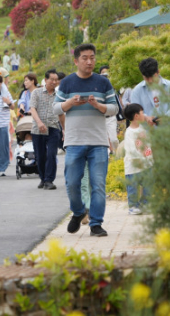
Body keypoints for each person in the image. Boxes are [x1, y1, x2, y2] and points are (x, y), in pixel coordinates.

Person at [53, 43, 118, 238]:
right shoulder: (67, 83)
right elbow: (55, 109)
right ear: (76, 60)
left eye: (92, 58)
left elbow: (115, 108)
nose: (89, 61)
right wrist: (70, 103)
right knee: (72, 182)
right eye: (85, 58)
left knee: (98, 184)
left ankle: (96, 223)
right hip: (74, 142)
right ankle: (78, 210)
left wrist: (98, 105)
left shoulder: (103, 83)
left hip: (98, 142)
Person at [30, 69, 63, 190]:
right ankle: (43, 178)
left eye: (56, 80)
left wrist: (64, 129)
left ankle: (49, 180)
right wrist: (39, 122)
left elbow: (61, 113)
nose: (54, 82)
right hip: (38, 129)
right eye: (52, 79)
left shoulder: (59, 95)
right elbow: (32, 109)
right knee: (40, 156)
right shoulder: (36, 92)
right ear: (45, 80)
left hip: (53, 128)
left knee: (51, 154)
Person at [122, 103, 153, 215]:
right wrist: (139, 158)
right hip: (133, 166)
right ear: (136, 116)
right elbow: (131, 149)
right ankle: (133, 206)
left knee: (148, 185)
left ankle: (145, 204)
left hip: (146, 164)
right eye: (142, 112)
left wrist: (149, 157)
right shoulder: (129, 132)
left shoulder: (142, 129)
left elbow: (147, 142)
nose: (144, 115)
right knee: (133, 187)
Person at [130, 57, 170, 126]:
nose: (150, 81)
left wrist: (167, 117)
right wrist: (145, 117)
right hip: (147, 133)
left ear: (158, 72)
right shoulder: (137, 91)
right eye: (146, 78)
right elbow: (134, 112)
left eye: (152, 77)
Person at [99, 65, 120, 151]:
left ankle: (118, 153)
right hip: (101, 118)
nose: (105, 76)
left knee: (113, 139)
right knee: (104, 141)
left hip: (111, 117)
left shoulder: (113, 87)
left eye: (107, 74)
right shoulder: (97, 88)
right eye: (103, 74)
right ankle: (108, 158)